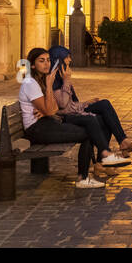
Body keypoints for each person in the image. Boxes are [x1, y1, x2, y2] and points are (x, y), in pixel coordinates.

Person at [18, 48, 103, 188]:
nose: (46, 64)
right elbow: (50, 109)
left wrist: (46, 111)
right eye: (41, 61)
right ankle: (84, 177)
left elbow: (55, 108)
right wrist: (49, 89)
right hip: (37, 130)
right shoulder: (30, 83)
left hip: (46, 124)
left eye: (48, 60)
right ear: (32, 65)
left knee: (88, 127)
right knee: (88, 134)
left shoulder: (40, 79)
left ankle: (87, 173)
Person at [48, 45, 132, 163]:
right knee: (102, 120)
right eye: (67, 57)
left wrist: (84, 103)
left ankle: (122, 142)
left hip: (73, 111)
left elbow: (70, 104)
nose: (70, 60)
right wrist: (67, 80)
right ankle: (106, 158)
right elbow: (62, 104)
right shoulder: (53, 80)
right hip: (67, 117)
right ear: (59, 59)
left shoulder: (61, 76)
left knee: (104, 104)